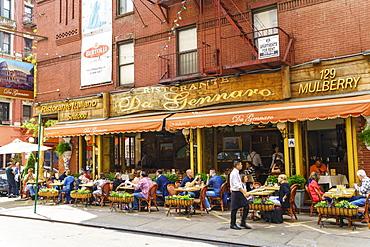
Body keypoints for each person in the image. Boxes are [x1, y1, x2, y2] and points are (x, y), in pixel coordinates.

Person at [229, 160, 251, 230]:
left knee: (246, 206)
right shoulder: (234, 173)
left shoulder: (237, 172)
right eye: (241, 164)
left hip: (239, 192)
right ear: (237, 165)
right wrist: (245, 193)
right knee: (234, 209)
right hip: (236, 192)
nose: (242, 166)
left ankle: (243, 222)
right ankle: (233, 224)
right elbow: (237, 185)